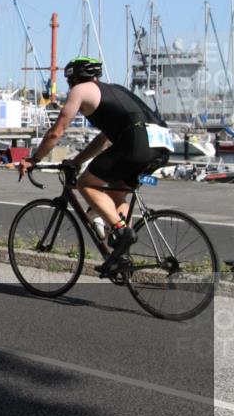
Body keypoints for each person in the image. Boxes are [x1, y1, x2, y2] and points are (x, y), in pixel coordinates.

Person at [18, 57, 172, 274]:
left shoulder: (80, 91)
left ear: (73, 78)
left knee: (86, 184)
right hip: (162, 142)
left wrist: (34, 159)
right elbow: (103, 140)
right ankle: (119, 256)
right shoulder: (113, 89)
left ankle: (122, 231)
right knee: (117, 195)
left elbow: (56, 131)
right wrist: (76, 161)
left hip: (137, 142)